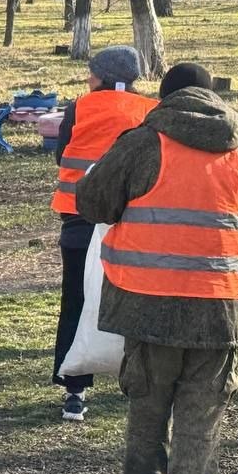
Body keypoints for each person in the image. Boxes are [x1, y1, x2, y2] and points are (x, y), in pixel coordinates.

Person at [76, 62, 238, 474]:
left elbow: (93, 203)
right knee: (201, 418)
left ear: (165, 96)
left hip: (149, 303)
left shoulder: (143, 141)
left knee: (148, 406)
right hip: (219, 307)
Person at [50, 45, 156, 422]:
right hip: (131, 221)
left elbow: (61, 154)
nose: (87, 79)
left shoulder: (78, 107)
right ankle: (139, 381)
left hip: (78, 216)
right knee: (136, 299)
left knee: (76, 300)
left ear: (105, 77)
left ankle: (73, 391)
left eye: (92, 73)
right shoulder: (151, 110)